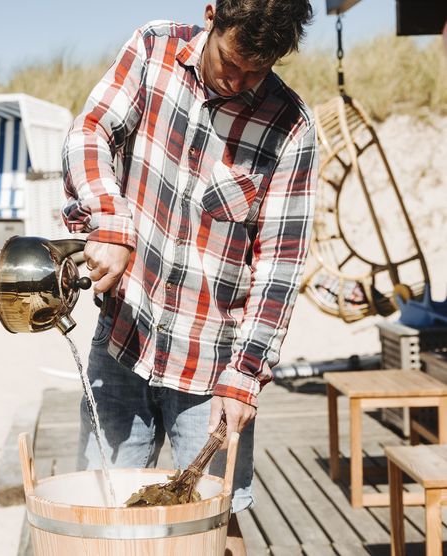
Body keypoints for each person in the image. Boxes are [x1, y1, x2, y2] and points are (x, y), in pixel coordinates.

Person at [62, 1, 317, 553]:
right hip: (124, 338)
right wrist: (109, 219)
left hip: (213, 368)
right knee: (104, 513)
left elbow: (279, 268)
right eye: (231, 61)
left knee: (218, 523)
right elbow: (89, 132)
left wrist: (246, 376)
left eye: (259, 70)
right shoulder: (151, 50)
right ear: (211, 15)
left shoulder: (290, 125)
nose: (241, 81)